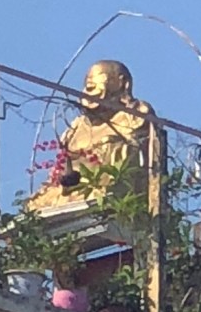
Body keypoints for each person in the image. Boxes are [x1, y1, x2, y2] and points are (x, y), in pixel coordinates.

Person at [26, 60, 153, 213]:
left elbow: (133, 159)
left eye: (100, 78)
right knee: (35, 205)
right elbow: (61, 169)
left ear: (122, 83)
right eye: (88, 81)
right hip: (67, 192)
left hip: (104, 189)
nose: (89, 87)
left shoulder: (132, 117)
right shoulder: (76, 127)